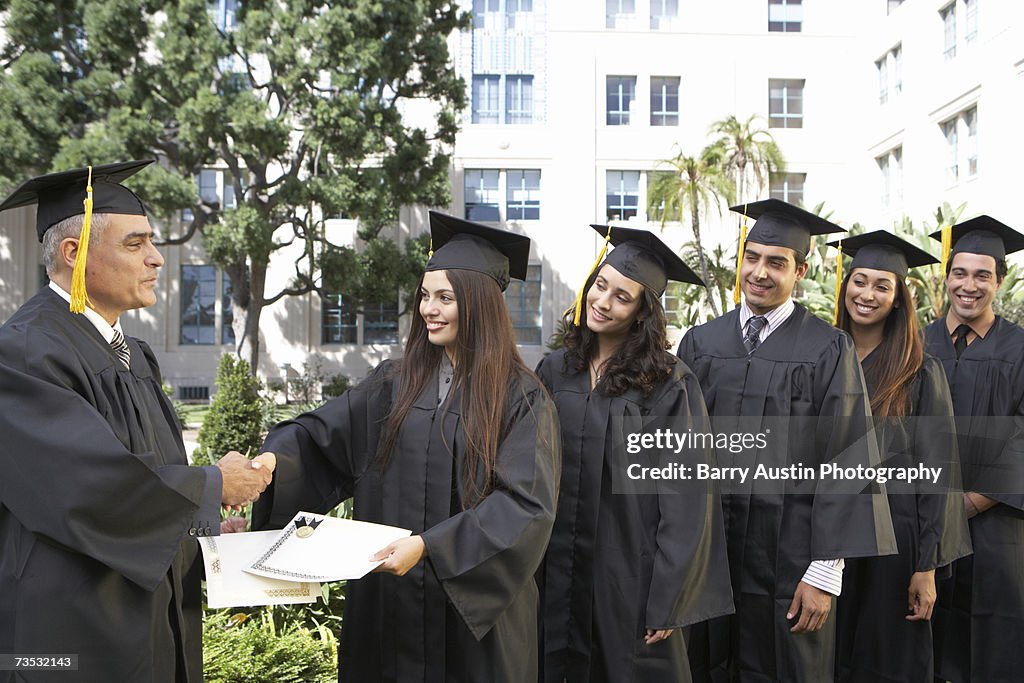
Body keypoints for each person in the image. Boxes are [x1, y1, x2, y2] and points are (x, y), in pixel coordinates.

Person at [252, 211, 560, 683]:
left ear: (479, 305)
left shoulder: (520, 396)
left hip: (472, 619)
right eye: (424, 295)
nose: (428, 309)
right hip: (389, 606)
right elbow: (321, 439)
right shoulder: (393, 383)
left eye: (445, 298)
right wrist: (271, 463)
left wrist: (430, 548)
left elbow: (525, 506)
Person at [0, 160, 275, 682]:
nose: (156, 260)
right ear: (73, 254)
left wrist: (202, 527)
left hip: (145, 620)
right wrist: (214, 483)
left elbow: (146, 477)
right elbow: (90, 486)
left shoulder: (133, 355)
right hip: (68, 636)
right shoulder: (24, 351)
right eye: (135, 244)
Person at [677, 199, 897, 683]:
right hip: (706, 557)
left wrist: (823, 572)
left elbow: (848, 455)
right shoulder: (700, 343)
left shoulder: (827, 347)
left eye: (776, 263)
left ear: (800, 271)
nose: (759, 272)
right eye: (751, 258)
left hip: (790, 561)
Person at [537, 225, 733, 683]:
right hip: (555, 572)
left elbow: (688, 501)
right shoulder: (554, 369)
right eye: (599, 286)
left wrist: (671, 595)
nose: (602, 302)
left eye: (621, 297)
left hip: (629, 576)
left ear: (642, 314)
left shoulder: (669, 384)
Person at [828, 231, 971, 683]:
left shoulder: (920, 370)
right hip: (827, 535)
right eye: (860, 281)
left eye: (881, 286)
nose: (867, 295)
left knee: (887, 659)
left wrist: (926, 566)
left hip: (896, 538)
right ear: (845, 285)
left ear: (897, 299)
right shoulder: (820, 356)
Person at [924, 216, 1024, 683]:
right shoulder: (915, 344)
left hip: (996, 525)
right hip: (920, 522)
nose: (969, 285)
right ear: (946, 277)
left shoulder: (1020, 349)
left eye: (982, 275)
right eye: (960, 273)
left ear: (999, 281)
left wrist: (969, 502)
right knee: (921, 637)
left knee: (994, 641)